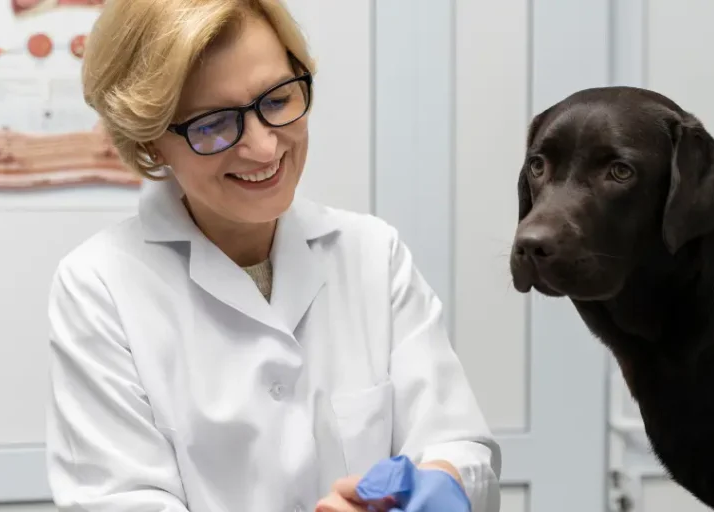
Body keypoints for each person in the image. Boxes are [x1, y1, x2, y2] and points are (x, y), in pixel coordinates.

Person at [43, 0, 502, 511]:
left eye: (277, 100)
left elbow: (455, 441)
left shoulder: (372, 254)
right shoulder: (100, 286)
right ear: (151, 142)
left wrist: (438, 481)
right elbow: (120, 501)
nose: (263, 148)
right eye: (213, 124)